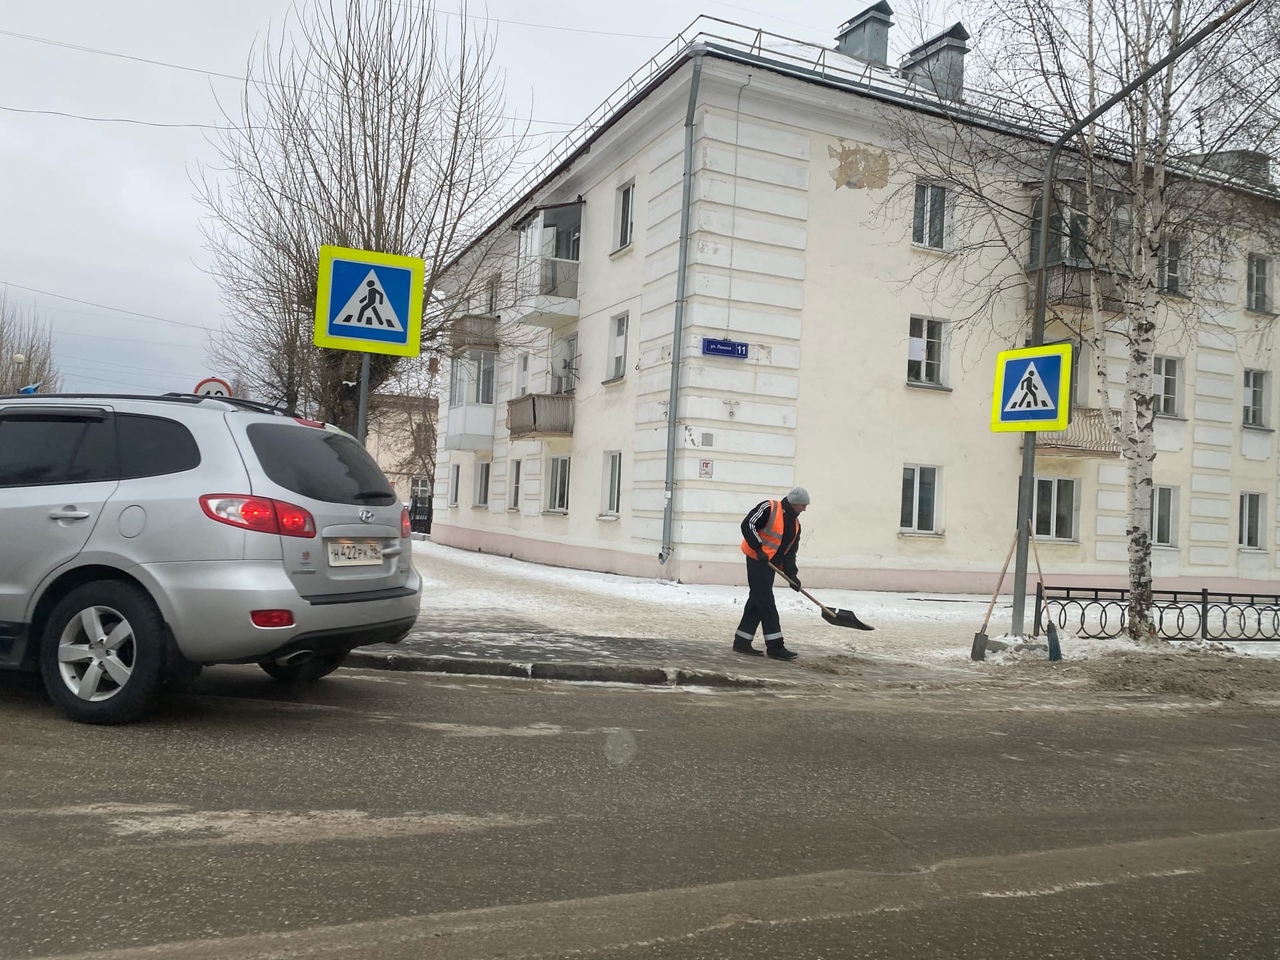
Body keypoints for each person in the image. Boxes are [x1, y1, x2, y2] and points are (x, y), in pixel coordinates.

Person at [734, 487, 809, 661]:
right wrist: (758, 548)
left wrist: (792, 576)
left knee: (757, 600)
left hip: (770, 564)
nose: (804, 509)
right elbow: (748, 524)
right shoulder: (769, 507)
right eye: (803, 505)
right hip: (757, 559)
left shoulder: (796, 525)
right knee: (766, 601)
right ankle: (775, 646)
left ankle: (742, 641)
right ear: (794, 503)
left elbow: (790, 553)